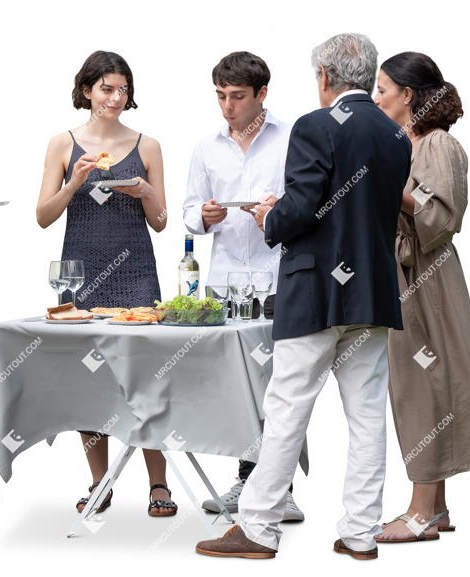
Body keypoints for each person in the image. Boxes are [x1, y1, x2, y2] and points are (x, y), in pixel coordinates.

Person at [195, 33, 411, 560]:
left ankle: (258, 528)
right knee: (366, 417)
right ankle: (361, 534)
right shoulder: (397, 135)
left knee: (286, 409)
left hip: (315, 291)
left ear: (324, 77)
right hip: (373, 293)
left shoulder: (316, 126)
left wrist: (272, 214)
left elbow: (306, 208)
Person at [372, 52, 470, 543]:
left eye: (383, 90)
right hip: (403, 275)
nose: (375, 99)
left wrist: (379, 181)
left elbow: (439, 216)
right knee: (422, 380)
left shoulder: (437, 144)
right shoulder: (404, 142)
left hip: (424, 278)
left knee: (422, 381)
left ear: (407, 95)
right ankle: (436, 508)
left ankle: (419, 511)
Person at [36, 50, 176, 517]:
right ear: (86, 92)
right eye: (106, 89)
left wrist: (148, 193)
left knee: (147, 378)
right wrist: (73, 183)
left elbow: (159, 222)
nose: (116, 98)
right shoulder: (62, 144)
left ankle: (158, 485)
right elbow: (42, 217)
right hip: (81, 273)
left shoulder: (148, 145)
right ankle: (100, 481)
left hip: (136, 272)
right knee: (88, 379)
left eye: (122, 89)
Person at [182, 51, 304, 521]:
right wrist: (204, 218)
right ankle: (246, 482)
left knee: (281, 386)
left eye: (237, 97)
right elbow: (191, 212)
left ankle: (281, 489)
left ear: (262, 95)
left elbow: (311, 202)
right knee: (235, 387)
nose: (227, 107)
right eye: (220, 96)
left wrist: (281, 208)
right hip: (226, 284)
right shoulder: (205, 146)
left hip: (279, 278)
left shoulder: (293, 138)